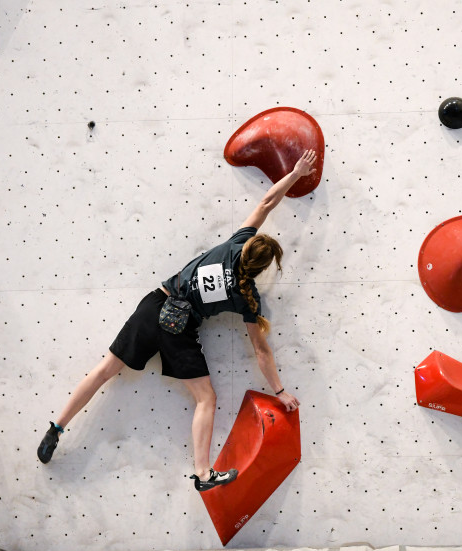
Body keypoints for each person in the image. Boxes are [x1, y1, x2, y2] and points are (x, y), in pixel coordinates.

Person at [37, 149, 316, 492]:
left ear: (248, 246)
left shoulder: (235, 244)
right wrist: (280, 391)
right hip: (180, 330)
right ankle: (203, 474)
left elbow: (267, 202)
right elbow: (262, 351)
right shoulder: (247, 298)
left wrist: (296, 173)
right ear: (262, 269)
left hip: (155, 305)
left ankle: (57, 427)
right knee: (205, 399)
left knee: (104, 371)